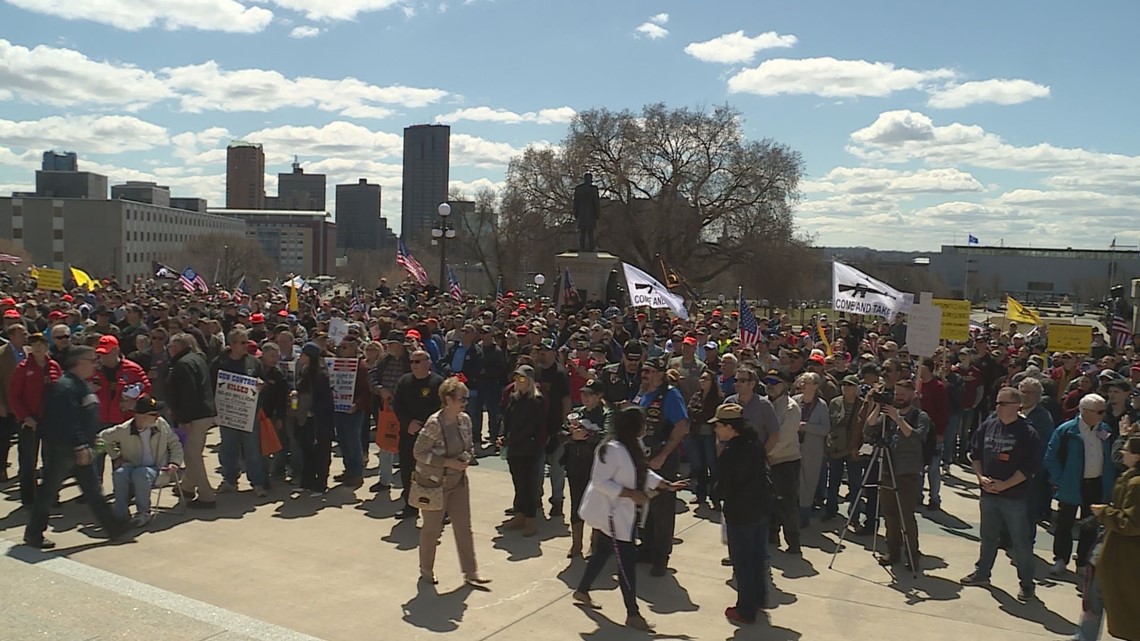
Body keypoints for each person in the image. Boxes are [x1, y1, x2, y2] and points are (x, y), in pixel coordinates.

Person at [573, 406, 684, 631]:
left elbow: (642, 471)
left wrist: (665, 484)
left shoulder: (634, 445)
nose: (646, 427)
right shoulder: (609, 450)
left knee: (603, 550)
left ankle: (582, 590)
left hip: (624, 515)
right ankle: (633, 614)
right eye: (642, 423)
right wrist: (632, 494)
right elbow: (600, 481)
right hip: (611, 514)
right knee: (626, 563)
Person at [23, 346, 129, 548]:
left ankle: (114, 528)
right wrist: (80, 445)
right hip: (66, 449)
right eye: (92, 360)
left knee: (92, 490)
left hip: (81, 446)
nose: (96, 364)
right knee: (49, 492)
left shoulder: (80, 384)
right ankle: (34, 533)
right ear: (80, 362)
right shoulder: (65, 387)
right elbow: (68, 420)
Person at [960, 386, 1041, 602]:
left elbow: (1029, 468)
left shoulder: (1027, 432)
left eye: (1003, 403)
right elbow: (974, 454)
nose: (998, 407)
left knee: (1020, 542)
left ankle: (1026, 584)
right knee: (988, 537)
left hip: (1014, 498)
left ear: (1017, 406)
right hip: (988, 494)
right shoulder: (988, 425)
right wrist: (980, 477)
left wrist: (1005, 485)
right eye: (997, 403)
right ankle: (982, 573)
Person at [413, 376, 490, 587]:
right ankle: (426, 569)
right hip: (433, 484)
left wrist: (465, 458)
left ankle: (471, 571)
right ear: (447, 399)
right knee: (432, 529)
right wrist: (447, 462)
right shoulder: (433, 424)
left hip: (458, 482)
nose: (465, 402)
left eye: (466, 398)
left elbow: (469, 447)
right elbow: (419, 452)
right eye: (461, 398)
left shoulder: (465, 420)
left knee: (464, 526)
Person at [1044, 393, 1118, 576]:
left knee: (1090, 524)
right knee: (1065, 523)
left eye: (1103, 411)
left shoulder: (1104, 430)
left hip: (1096, 484)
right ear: (1084, 411)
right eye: (1098, 411)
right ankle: (1061, 559)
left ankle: (1083, 561)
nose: (1102, 415)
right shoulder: (1067, 431)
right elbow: (1050, 457)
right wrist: (1061, 479)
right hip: (1071, 483)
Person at [713, 403, 773, 625]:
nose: (716, 430)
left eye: (718, 426)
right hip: (760, 510)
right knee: (757, 558)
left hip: (740, 513)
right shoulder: (755, 444)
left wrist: (715, 494)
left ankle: (745, 610)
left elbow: (724, 484)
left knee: (742, 562)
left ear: (730, 427)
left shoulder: (732, 451)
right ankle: (759, 598)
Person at [864, 378, 931, 569]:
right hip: (888, 469)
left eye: (902, 395)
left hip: (906, 472)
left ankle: (912, 554)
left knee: (906, 516)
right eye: (896, 394)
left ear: (912, 395)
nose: (898, 398)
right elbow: (869, 426)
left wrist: (898, 418)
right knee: (890, 514)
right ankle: (893, 552)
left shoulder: (920, 416)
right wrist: (878, 406)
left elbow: (915, 436)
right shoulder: (888, 414)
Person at [634, 355, 690, 575]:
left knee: (662, 508)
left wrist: (664, 455)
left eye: (649, 371)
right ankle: (646, 547)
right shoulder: (643, 393)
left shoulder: (670, 395)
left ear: (659, 373)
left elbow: (681, 426)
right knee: (645, 505)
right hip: (644, 456)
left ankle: (661, 556)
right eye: (644, 371)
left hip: (662, 457)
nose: (644, 375)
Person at [97, 395, 184, 526]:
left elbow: (175, 444)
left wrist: (175, 462)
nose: (157, 416)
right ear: (142, 416)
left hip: (158, 468)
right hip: (131, 466)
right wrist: (115, 456)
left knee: (140, 474)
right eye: (153, 413)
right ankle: (120, 514)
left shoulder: (161, 424)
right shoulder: (124, 430)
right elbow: (100, 439)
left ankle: (143, 513)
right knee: (119, 473)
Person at [1089, 436, 1140, 641]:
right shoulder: (1131, 477)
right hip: (1117, 553)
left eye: (1126, 450)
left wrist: (1104, 513)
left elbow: (1131, 523)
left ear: (1137, 456)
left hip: (1126, 558)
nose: (1123, 452)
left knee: (1127, 610)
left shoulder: (1136, 484)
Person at [8, 332, 61, 507]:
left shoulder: (54, 366)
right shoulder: (22, 368)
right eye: (34, 344)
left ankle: (50, 496)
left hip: (51, 420)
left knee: (51, 461)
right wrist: (25, 417)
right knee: (29, 462)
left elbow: (61, 391)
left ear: (47, 346)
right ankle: (29, 498)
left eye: (41, 344)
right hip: (29, 421)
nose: (38, 347)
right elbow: (14, 397)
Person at [166, 332, 218, 509]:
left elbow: (189, 392)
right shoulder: (196, 359)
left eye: (170, 347)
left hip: (194, 416)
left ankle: (206, 495)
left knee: (191, 456)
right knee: (193, 452)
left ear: (177, 347)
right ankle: (187, 487)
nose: (169, 350)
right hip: (204, 413)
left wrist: (185, 418)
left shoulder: (183, 364)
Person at [212, 328, 266, 496]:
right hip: (227, 415)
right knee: (228, 448)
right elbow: (210, 386)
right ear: (232, 345)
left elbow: (263, 384)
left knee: (252, 451)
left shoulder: (254, 362)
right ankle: (229, 480)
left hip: (249, 416)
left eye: (247, 341)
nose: (246, 345)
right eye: (242, 343)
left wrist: (261, 386)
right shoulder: (219, 362)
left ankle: (257, 483)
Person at [393, 349, 443, 519]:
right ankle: (410, 505)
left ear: (428, 362)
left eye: (418, 361)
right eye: (412, 362)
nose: (414, 365)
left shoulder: (437, 382)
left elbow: (440, 408)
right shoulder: (404, 381)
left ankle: (440, 510)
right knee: (408, 470)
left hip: (431, 436)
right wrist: (408, 423)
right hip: (408, 433)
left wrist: (424, 426)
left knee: (433, 472)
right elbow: (397, 404)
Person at [499, 365, 547, 537]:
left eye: (521, 378)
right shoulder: (515, 398)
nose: (517, 382)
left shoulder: (537, 400)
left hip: (529, 448)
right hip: (514, 448)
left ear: (530, 381)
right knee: (518, 483)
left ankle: (530, 520)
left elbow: (532, 427)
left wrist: (513, 439)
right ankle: (519, 515)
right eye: (516, 378)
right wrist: (503, 436)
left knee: (528, 485)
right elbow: (507, 419)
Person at [564, 378, 607, 557]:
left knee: (596, 506)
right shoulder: (576, 413)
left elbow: (609, 435)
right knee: (576, 505)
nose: (585, 398)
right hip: (575, 465)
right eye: (583, 394)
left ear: (599, 396)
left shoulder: (606, 414)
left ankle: (594, 544)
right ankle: (576, 544)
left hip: (595, 466)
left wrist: (588, 435)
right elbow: (561, 433)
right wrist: (571, 434)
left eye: (590, 395)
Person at [764, 368, 802, 553]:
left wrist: (764, 454)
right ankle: (772, 535)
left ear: (785, 386)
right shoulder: (765, 404)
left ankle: (793, 542)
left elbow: (784, 438)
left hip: (786, 461)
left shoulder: (791, 408)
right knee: (770, 501)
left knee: (787, 503)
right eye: (767, 382)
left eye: (774, 383)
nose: (769, 386)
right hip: (767, 460)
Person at [294, 342, 335, 497]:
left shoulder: (321, 375)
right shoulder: (304, 371)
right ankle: (307, 482)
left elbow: (325, 400)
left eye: (303, 354)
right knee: (307, 450)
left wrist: (313, 411)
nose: (300, 357)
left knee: (321, 452)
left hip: (318, 420)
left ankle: (320, 484)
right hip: (305, 418)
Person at [824, 375, 865, 522]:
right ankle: (830, 510)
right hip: (837, 447)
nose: (847, 388)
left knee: (855, 484)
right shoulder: (835, 403)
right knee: (833, 481)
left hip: (854, 448)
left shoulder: (862, 404)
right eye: (844, 385)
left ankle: (854, 514)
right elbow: (830, 423)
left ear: (856, 388)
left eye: (850, 385)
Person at [793, 371, 829, 528]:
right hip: (794, 447)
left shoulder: (821, 406)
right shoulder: (794, 401)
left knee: (808, 483)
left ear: (815, 386)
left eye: (807, 382)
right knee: (793, 482)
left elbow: (825, 429)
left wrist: (806, 427)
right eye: (802, 381)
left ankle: (804, 517)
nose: (803, 385)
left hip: (812, 451)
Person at [686, 370, 723, 509]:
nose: (702, 381)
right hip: (696, 434)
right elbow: (690, 409)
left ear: (712, 381)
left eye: (706, 379)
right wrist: (699, 414)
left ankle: (715, 497)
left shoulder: (717, 398)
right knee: (699, 466)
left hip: (711, 436)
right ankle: (701, 495)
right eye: (701, 378)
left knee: (713, 467)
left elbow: (709, 414)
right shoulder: (697, 395)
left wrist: (698, 414)